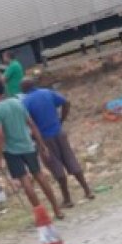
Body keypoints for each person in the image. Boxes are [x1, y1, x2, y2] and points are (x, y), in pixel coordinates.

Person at [0, 77, 64, 220]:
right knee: (39, 176)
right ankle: (57, 209)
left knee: (25, 181)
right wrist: (41, 144)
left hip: (11, 150)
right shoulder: (18, 102)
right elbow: (31, 124)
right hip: (28, 144)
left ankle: (41, 215)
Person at [21, 79, 94, 207]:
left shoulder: (26, 102)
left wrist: (33, 137)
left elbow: (28, 122)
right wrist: (61, 119)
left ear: (23, 89)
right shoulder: (47, 92)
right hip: (59, 132)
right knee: (71, 160)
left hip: (44, 138)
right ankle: (87, 190)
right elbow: (66, 102)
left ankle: (67, 199)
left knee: (56, 167)